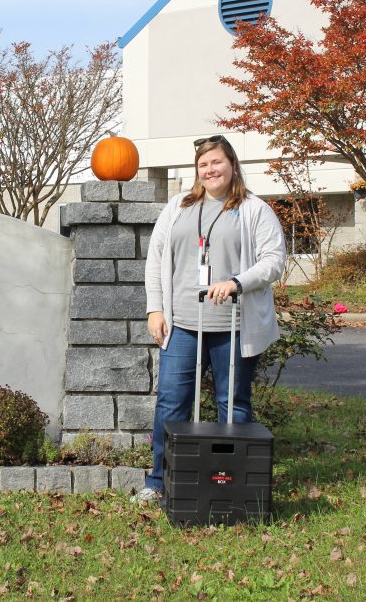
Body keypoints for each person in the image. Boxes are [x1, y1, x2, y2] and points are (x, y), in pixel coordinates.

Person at [133, 134, 286, 504]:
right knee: (171, 403)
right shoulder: (178, 208)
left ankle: (232, 482)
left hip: (233, 326)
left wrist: (237, 282)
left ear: (232, 165)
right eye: (203, 164)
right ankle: (158, 481)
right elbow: (156, 261)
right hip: (183, 323)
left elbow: (273, 261)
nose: (210, 169)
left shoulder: (253, 209)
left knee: (233, 405)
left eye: (216, 162)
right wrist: (155, 309)